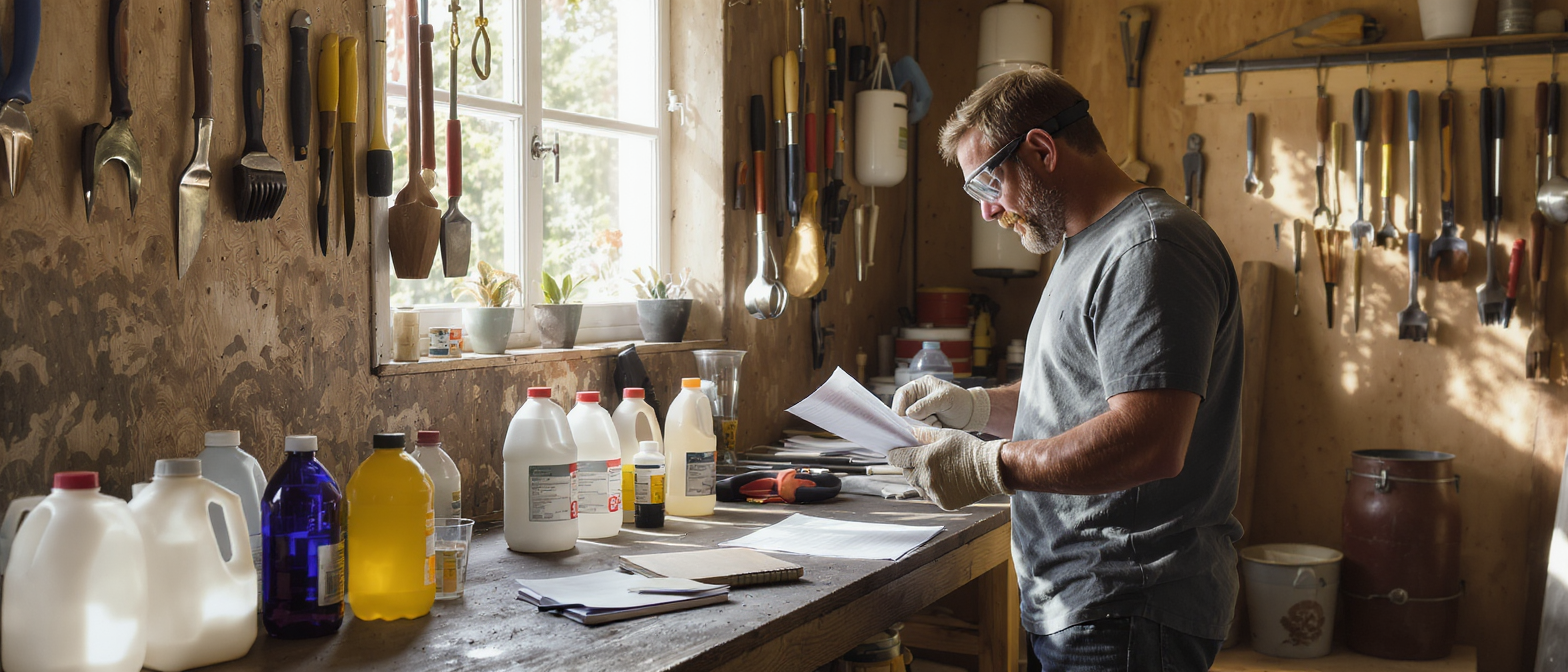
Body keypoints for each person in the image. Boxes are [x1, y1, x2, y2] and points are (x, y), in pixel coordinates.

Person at [887, 67, 1243, 671]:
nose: (990, 210)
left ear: (1042, 149)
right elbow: (1079, 394)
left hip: (1129, 602)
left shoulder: (1150, 248)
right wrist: (975, 408)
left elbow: (1151, 440)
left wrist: (987, 466)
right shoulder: (1087, 245)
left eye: (988, 182)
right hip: (1086, 602)